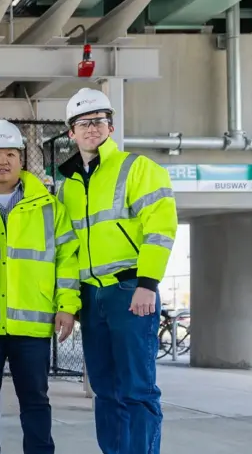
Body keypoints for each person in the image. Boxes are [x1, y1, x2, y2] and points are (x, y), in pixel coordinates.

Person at [56, 88, 177, 454]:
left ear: (110, 126)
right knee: (105, 391)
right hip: (93, 297)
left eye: (98, 121)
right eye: (83, 123)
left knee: (137, 389)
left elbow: (161, 227)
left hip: (130, 291)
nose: (91, 129)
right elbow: (69, 251)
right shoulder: (68, 188)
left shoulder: (138, 168)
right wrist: (69, 303)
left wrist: (148, 283)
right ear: (71, 133)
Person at [0, 119, 82, 454]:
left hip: (32, 324)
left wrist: (67, 305)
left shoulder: (48, 208)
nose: (3, 161)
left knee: (35, 401)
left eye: (10, 154)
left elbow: (67, 258)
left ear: (21, 160)